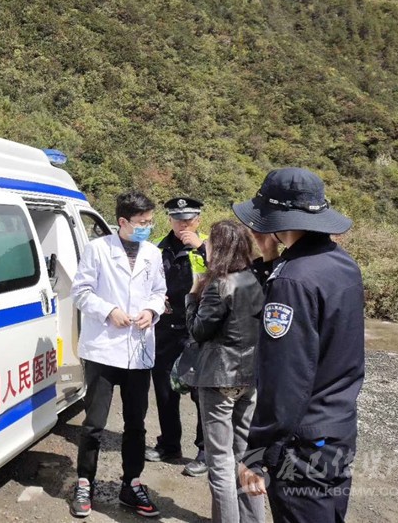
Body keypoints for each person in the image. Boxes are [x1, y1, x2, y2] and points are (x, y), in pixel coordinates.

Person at [233, 167, 365, 523]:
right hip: (335, 429)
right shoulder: (340, 263)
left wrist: (256, 453)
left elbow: (285, 379)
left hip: (301, 443)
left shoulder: (292, 281)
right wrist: (270, 257)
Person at [69, 191, 167, 518]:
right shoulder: (97, 249)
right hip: (103, 350)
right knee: (94, 423)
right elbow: (80, 292)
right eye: (141, 222)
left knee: (136, 423)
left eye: (150, 221)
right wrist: (108, 310)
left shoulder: (153, 253)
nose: (147, 227)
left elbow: (159, 292)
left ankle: (131, 483)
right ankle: (85, 481)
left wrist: (151, 311)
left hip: (138, 351)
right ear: (122, 221)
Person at [186, 220, 266, 523]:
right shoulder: (255, 279)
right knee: (246, 457)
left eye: (209, 242)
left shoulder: (218, 285)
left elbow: (198, 330)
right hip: (250, 376)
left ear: (218, 248)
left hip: (220, 378)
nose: (205, 246)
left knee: (220, 461)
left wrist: (192, 295)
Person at [146, 196, 209, 477]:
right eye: (178, 219)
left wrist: (202, 248)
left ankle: (205, 451)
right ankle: (169, 444)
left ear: (198, 220)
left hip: (198, 331)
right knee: (164, 391)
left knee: (201, 393)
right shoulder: (157, 248)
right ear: (169, 220)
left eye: (189, 220)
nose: (183, 225)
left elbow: (228, 276)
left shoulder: (209, 245)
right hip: (164, 329)